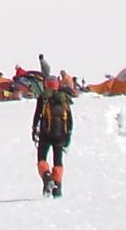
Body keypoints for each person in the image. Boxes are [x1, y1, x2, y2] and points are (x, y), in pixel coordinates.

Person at [31, 67, 73, 198]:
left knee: (42, 159)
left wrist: (34, 129)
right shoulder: (63, 99)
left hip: (45, 133)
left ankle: (47, 178)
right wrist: (68, 136)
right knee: (58, 161)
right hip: (61, 135)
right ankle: (58, 188)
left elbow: (37, 116)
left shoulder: (43, 98)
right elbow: (70, 119)